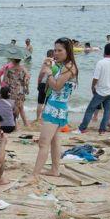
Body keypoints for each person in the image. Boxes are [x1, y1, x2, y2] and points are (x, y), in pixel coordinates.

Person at [33, 38, 78, 177]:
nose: (56, 53)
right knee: (54, 140)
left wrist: (49, 72)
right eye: (55, 50)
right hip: (55, 106)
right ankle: (54, 170)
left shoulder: (69, 67)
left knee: (43, 142)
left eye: (60, 50)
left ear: (68, 51)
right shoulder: (63, 65)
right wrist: (47, 67)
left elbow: (57, 86)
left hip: (56, 108)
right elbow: (48, 84)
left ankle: (34, 174)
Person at [76, 43, 110, 134]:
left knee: (90, 109)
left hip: (100, 91)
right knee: (107, 112)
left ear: (105, 51)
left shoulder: (101, 62)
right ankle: (102, 130)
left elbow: (96, 78)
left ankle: (83, 128)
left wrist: (92, 87)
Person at [4, 57, 30, 126]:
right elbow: (26, 81)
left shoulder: (9, 70)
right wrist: (27, 89)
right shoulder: (24, 69)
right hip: (20, 91)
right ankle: (26, 124)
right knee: (21, 108)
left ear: (13, 60)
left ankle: (14, 124)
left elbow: (5, 81)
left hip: (11, 91)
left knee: (13, 108)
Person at [36, 49, 55, 121]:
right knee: (47, 102)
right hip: (51, 83)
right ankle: (44, 117)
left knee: (40, 102)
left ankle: (38, 118)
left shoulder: (46, 62)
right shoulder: (55, 62)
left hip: (43, 83)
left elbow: (42, 73)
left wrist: (38, 83)